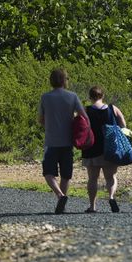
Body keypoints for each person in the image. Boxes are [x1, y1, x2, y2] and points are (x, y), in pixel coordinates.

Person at [38, 68, 86, 214]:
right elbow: (83, 115)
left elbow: (40, 120)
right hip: (67, 142)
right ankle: (62, 204)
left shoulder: (45, 97)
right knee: (66, 175)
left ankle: (60, 195)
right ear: (65, 80)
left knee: (48, 173)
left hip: (51, 141)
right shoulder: (72, 96)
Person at [81, 86, 127, 213]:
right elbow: (123, 124)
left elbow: (80, 125)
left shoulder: (86, 110)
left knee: (92, 178)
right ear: (103, 96)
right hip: (110, 148)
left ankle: (92, 206)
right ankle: (111, 197)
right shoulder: (113, 108)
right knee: (111, 177)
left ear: (90, 97)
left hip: (91, 148)